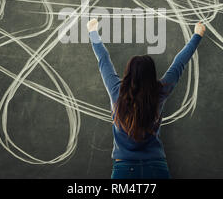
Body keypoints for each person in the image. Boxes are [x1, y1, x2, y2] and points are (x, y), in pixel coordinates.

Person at [87, 18, 205, 179]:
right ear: (151, 74)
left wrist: (93, 32)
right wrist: (197, 35)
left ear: (129, 73)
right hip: (156, 169)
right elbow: (180, 63)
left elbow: (103, 60)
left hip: (124, 170)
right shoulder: (159, 92)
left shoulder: (116, 90)